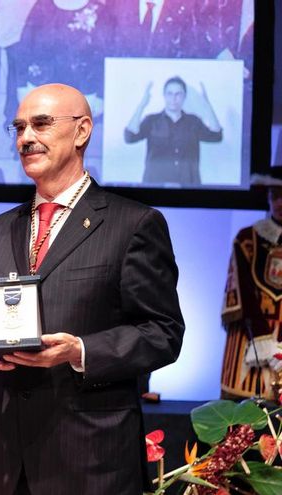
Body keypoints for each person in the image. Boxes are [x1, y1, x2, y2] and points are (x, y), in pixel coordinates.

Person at [0, 83, 184, 494]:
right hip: (4, 462)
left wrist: (79, 351)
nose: (26, 137)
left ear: (82, 131)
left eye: (41, 124)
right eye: (19, 127)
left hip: (91, 461)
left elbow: (163, 333)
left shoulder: (133, 224)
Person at [221, 169, 282, 401]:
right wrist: (261, 337)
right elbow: (242, 289)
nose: (279, 203)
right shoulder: (247, 238)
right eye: (274, 196)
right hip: (251, 333)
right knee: (242, 417)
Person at [124, 76, 223, 187]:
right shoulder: (151, 120)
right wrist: (142, 105)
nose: (173, 98)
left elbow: (216, 136)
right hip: (154, 187)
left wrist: (207, 106)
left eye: (178, 94)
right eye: (169, 94)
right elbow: (129, 137)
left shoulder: (194, 121)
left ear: (184, 96)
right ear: (164, 96)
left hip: (188, 186)